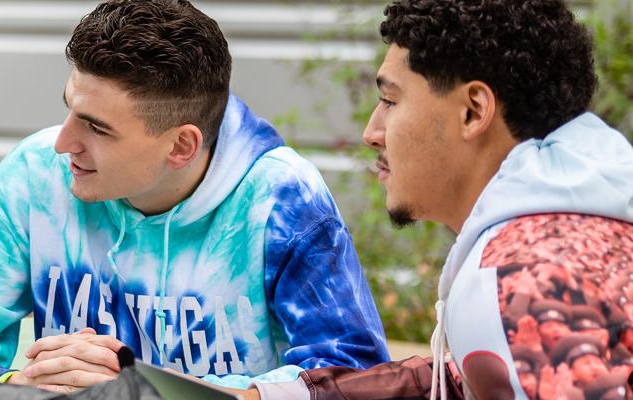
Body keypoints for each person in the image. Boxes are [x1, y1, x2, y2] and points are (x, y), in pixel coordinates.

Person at [0, 0, 389, 395]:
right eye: (69, 109)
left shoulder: (281, 200)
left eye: (97, 128)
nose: (63, 143)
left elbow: (354, 380)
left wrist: (141, 393)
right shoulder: (35, 175)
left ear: (181, 145)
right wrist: (16, 390)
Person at [248, 0, 633, 398]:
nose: (371, 131)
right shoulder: (578, 226)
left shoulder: (522, 281)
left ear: (472, 111)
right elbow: (468, 376)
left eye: (391, 101)